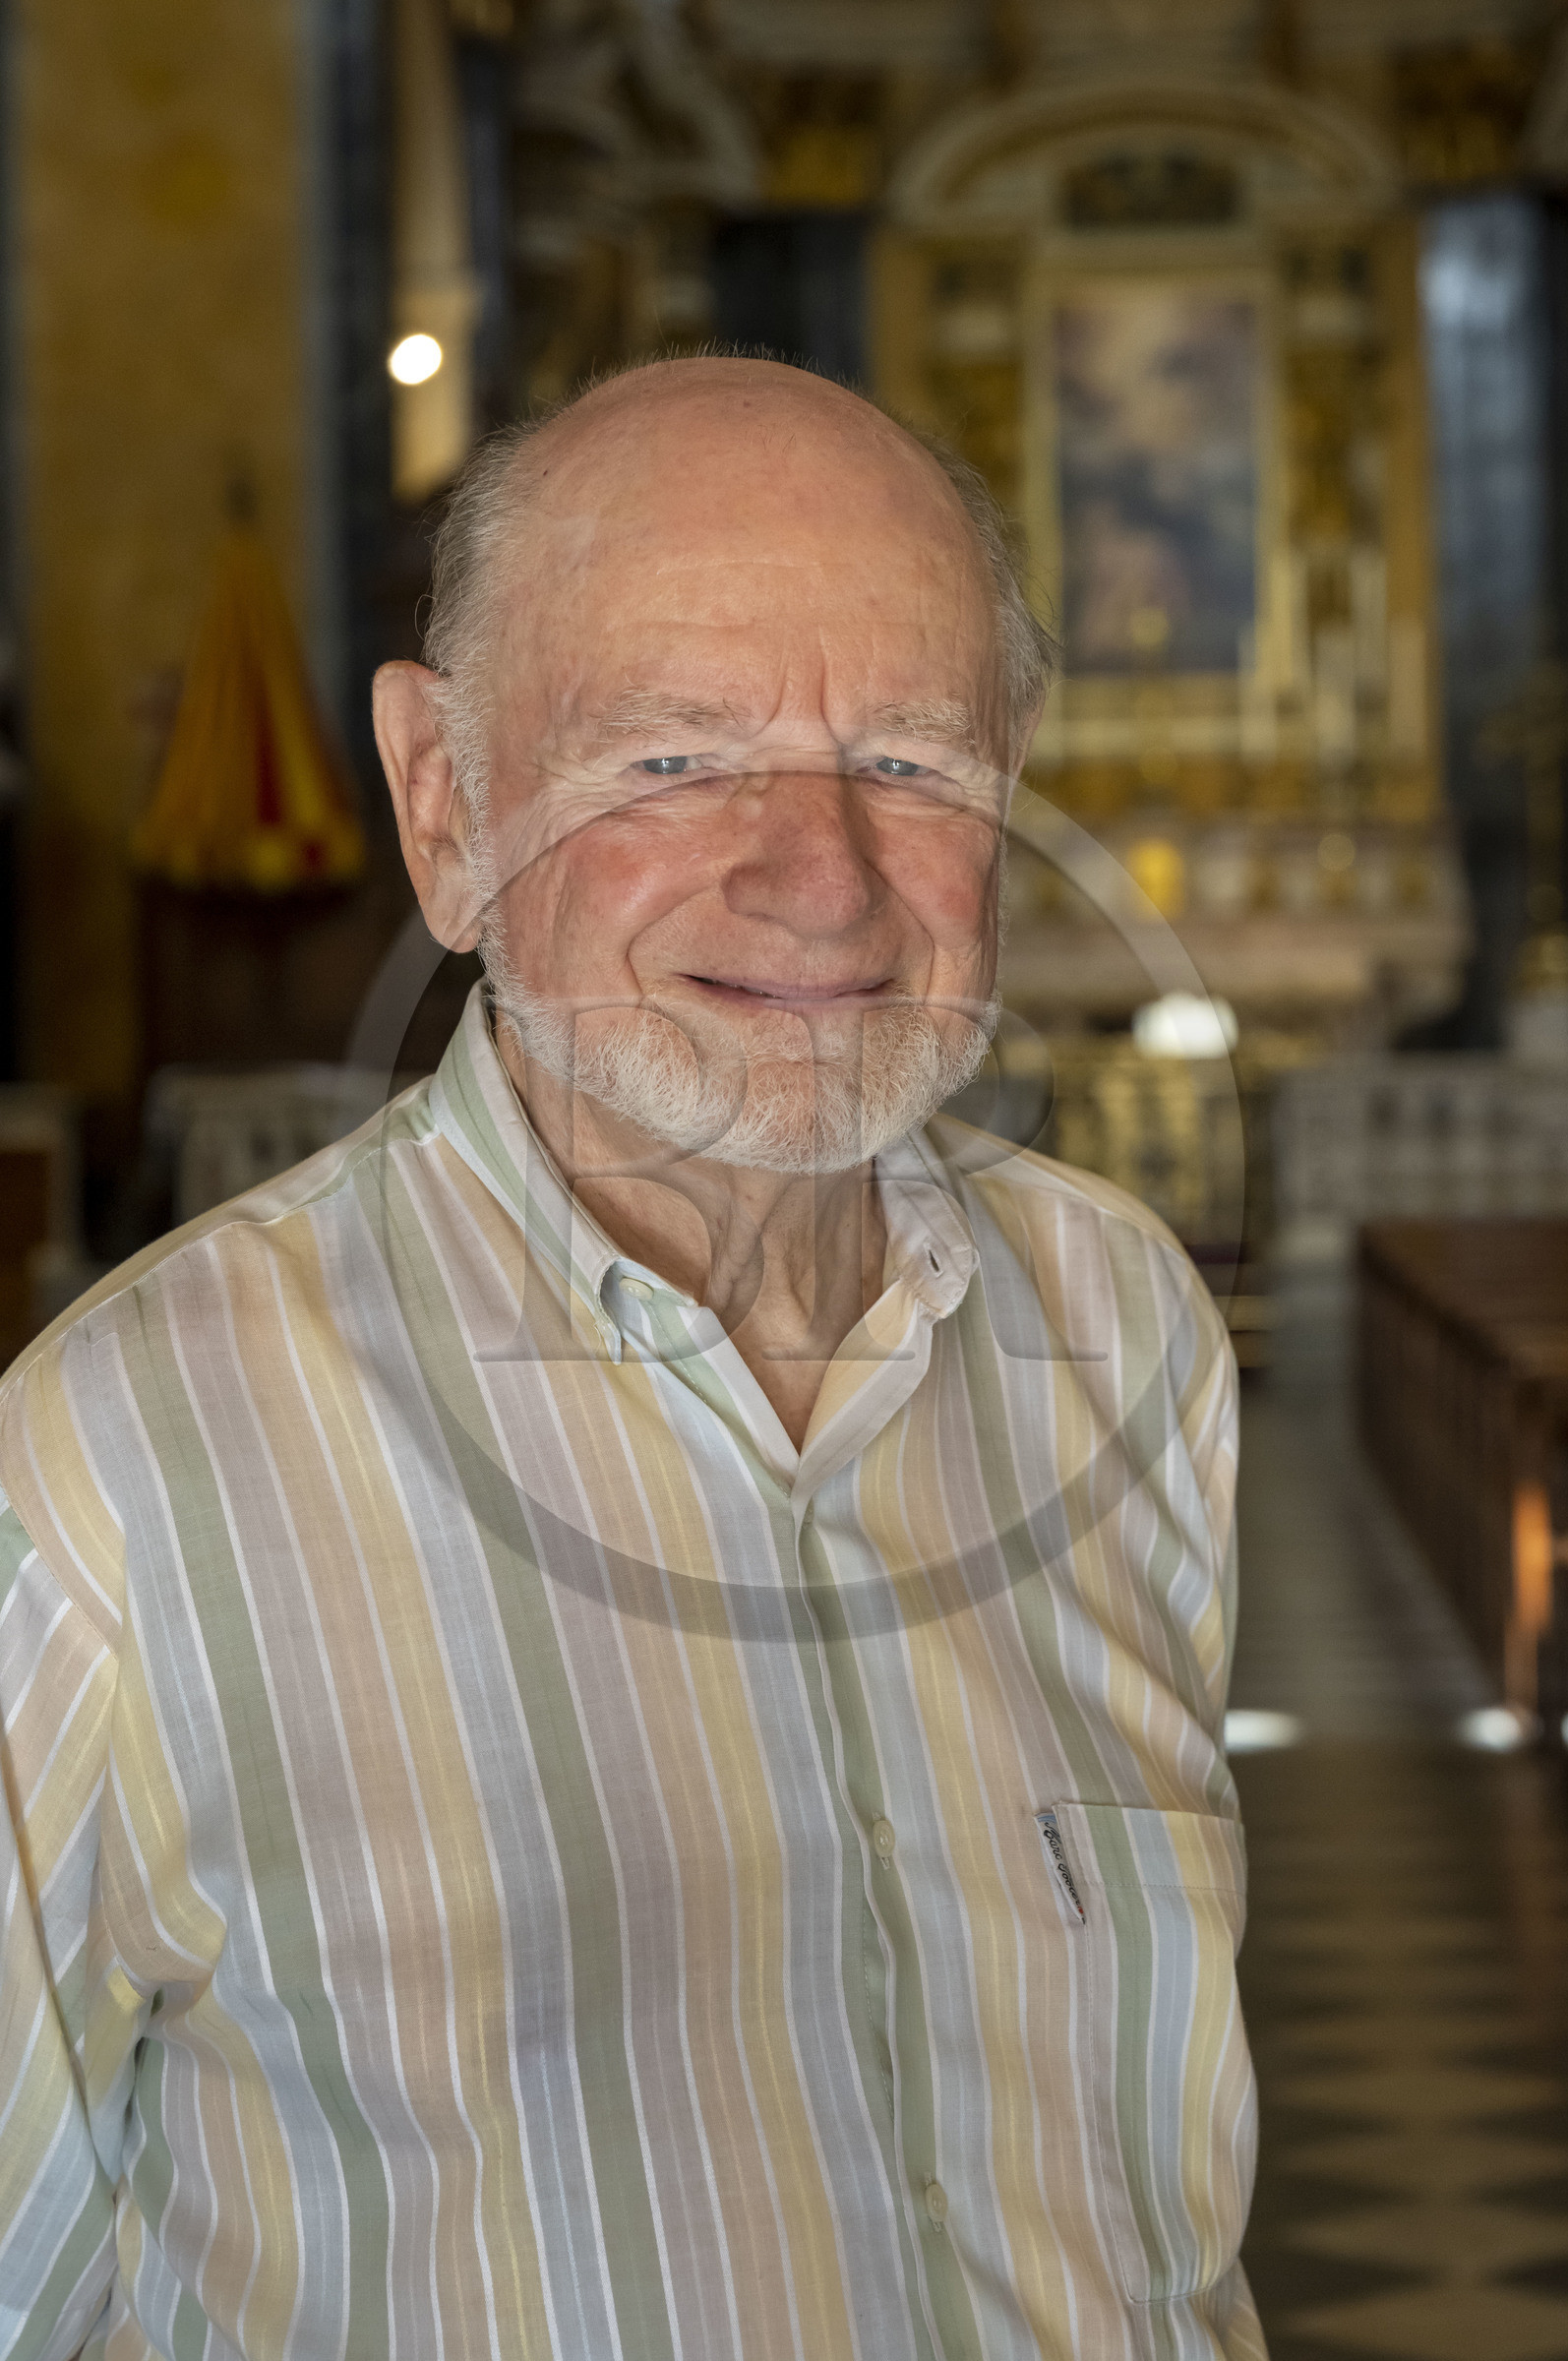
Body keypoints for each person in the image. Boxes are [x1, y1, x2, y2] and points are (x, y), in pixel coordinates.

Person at [0, 358, 1261, 2360]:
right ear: (444, 805)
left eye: (911, 761)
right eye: (671, 763)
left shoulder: (1122, 1339)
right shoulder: (115, 1475)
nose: (822, 877)